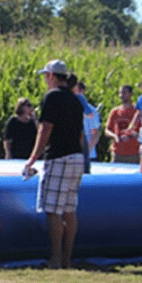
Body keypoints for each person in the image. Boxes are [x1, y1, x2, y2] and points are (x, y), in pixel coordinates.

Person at [24, 59, 85, 269]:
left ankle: (56, 257)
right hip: (77, 157)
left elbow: (45, 128)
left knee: (52, 209)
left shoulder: (52, 97)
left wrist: (33, 158)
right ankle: (68, 257)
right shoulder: (75, 100)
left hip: (58, 156)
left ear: (51, 75)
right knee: (70, 209)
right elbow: (80, 134)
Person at [105, 85, 139, 164]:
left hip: (133, 153)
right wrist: (114, 136)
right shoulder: (115, 111)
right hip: (117, 153)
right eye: (120, 93)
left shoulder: (136, 111)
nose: (121, 95)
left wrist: (131, 136)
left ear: (130, 94)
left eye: (124, 93)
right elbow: (107, 130)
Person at [72, 78, 100, 173]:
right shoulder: (69, 107)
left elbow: (95, 133)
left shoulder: (91, 110)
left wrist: (86, 153)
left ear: (82, 91)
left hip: (88, 155)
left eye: (77, 90)